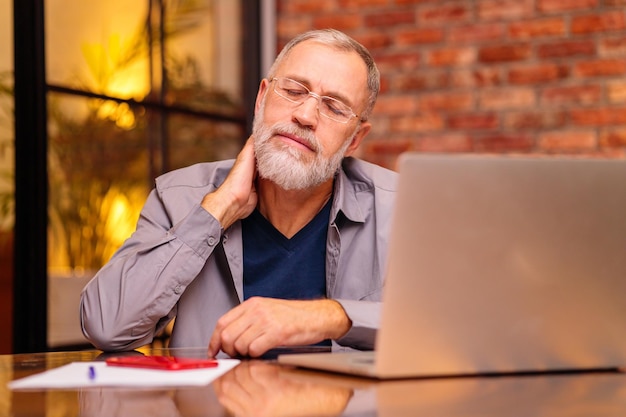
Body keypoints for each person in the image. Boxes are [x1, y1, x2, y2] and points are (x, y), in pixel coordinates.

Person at [80, 28, 397, 358]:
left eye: (334, 107)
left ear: (355, 139)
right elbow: (105, 325)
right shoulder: (179, 196)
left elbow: (448, 325)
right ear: (262, 98)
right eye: (293, 90)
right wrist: (217, 210)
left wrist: (331, 316)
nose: (305, 116)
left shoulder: (399, 209)